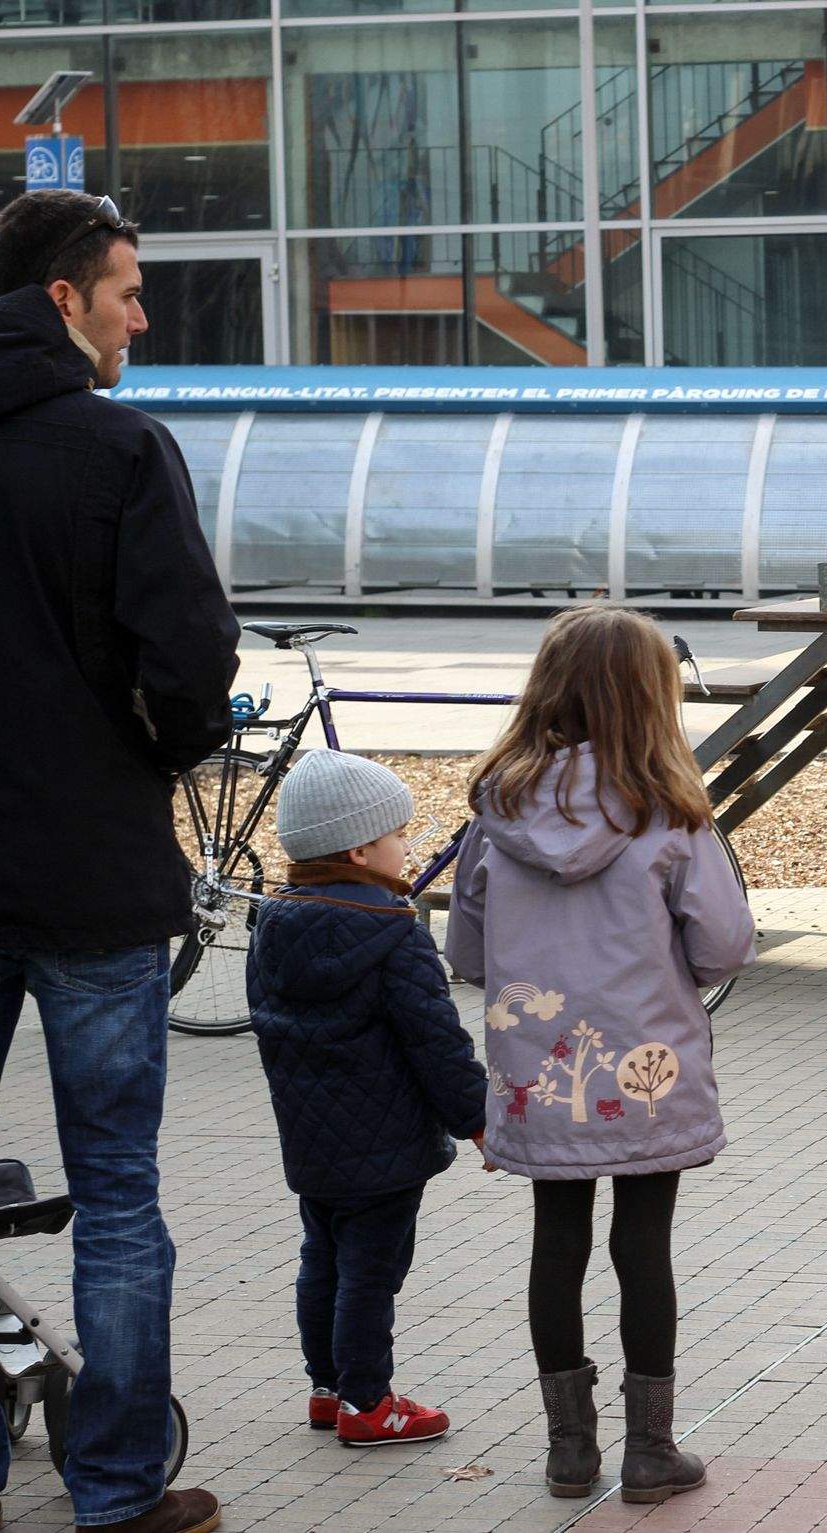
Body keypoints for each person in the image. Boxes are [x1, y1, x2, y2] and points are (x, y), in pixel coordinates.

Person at [0, 190, 236, 1533]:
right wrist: (160, 753)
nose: (144, 313)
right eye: (129, 289)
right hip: (92, 874)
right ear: (65, 299)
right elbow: (193, 661)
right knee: (120, 1199)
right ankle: (119, 1494)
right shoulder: (120, 449)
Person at [446, 606, 756, 1505]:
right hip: (643, 1067)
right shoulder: (669, 814)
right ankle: (651, 1452)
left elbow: (466, 951)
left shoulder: (496, 812)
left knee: (557, 1240)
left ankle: (568, 1449)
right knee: (643, 1243)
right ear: (650, 698)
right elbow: (725, 944)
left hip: (539, 1066)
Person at [248, 751, 488, 1448]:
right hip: (384, 1150)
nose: (408, 847)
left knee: (320, 1258)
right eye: (398, 835)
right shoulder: (394, 935)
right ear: (360, 847)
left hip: (310, 1140)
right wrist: (477, 1121)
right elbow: (436, 1042)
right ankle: (368, 1400)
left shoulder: (270, 926)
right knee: (371, 1274)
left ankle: (327, 1387)